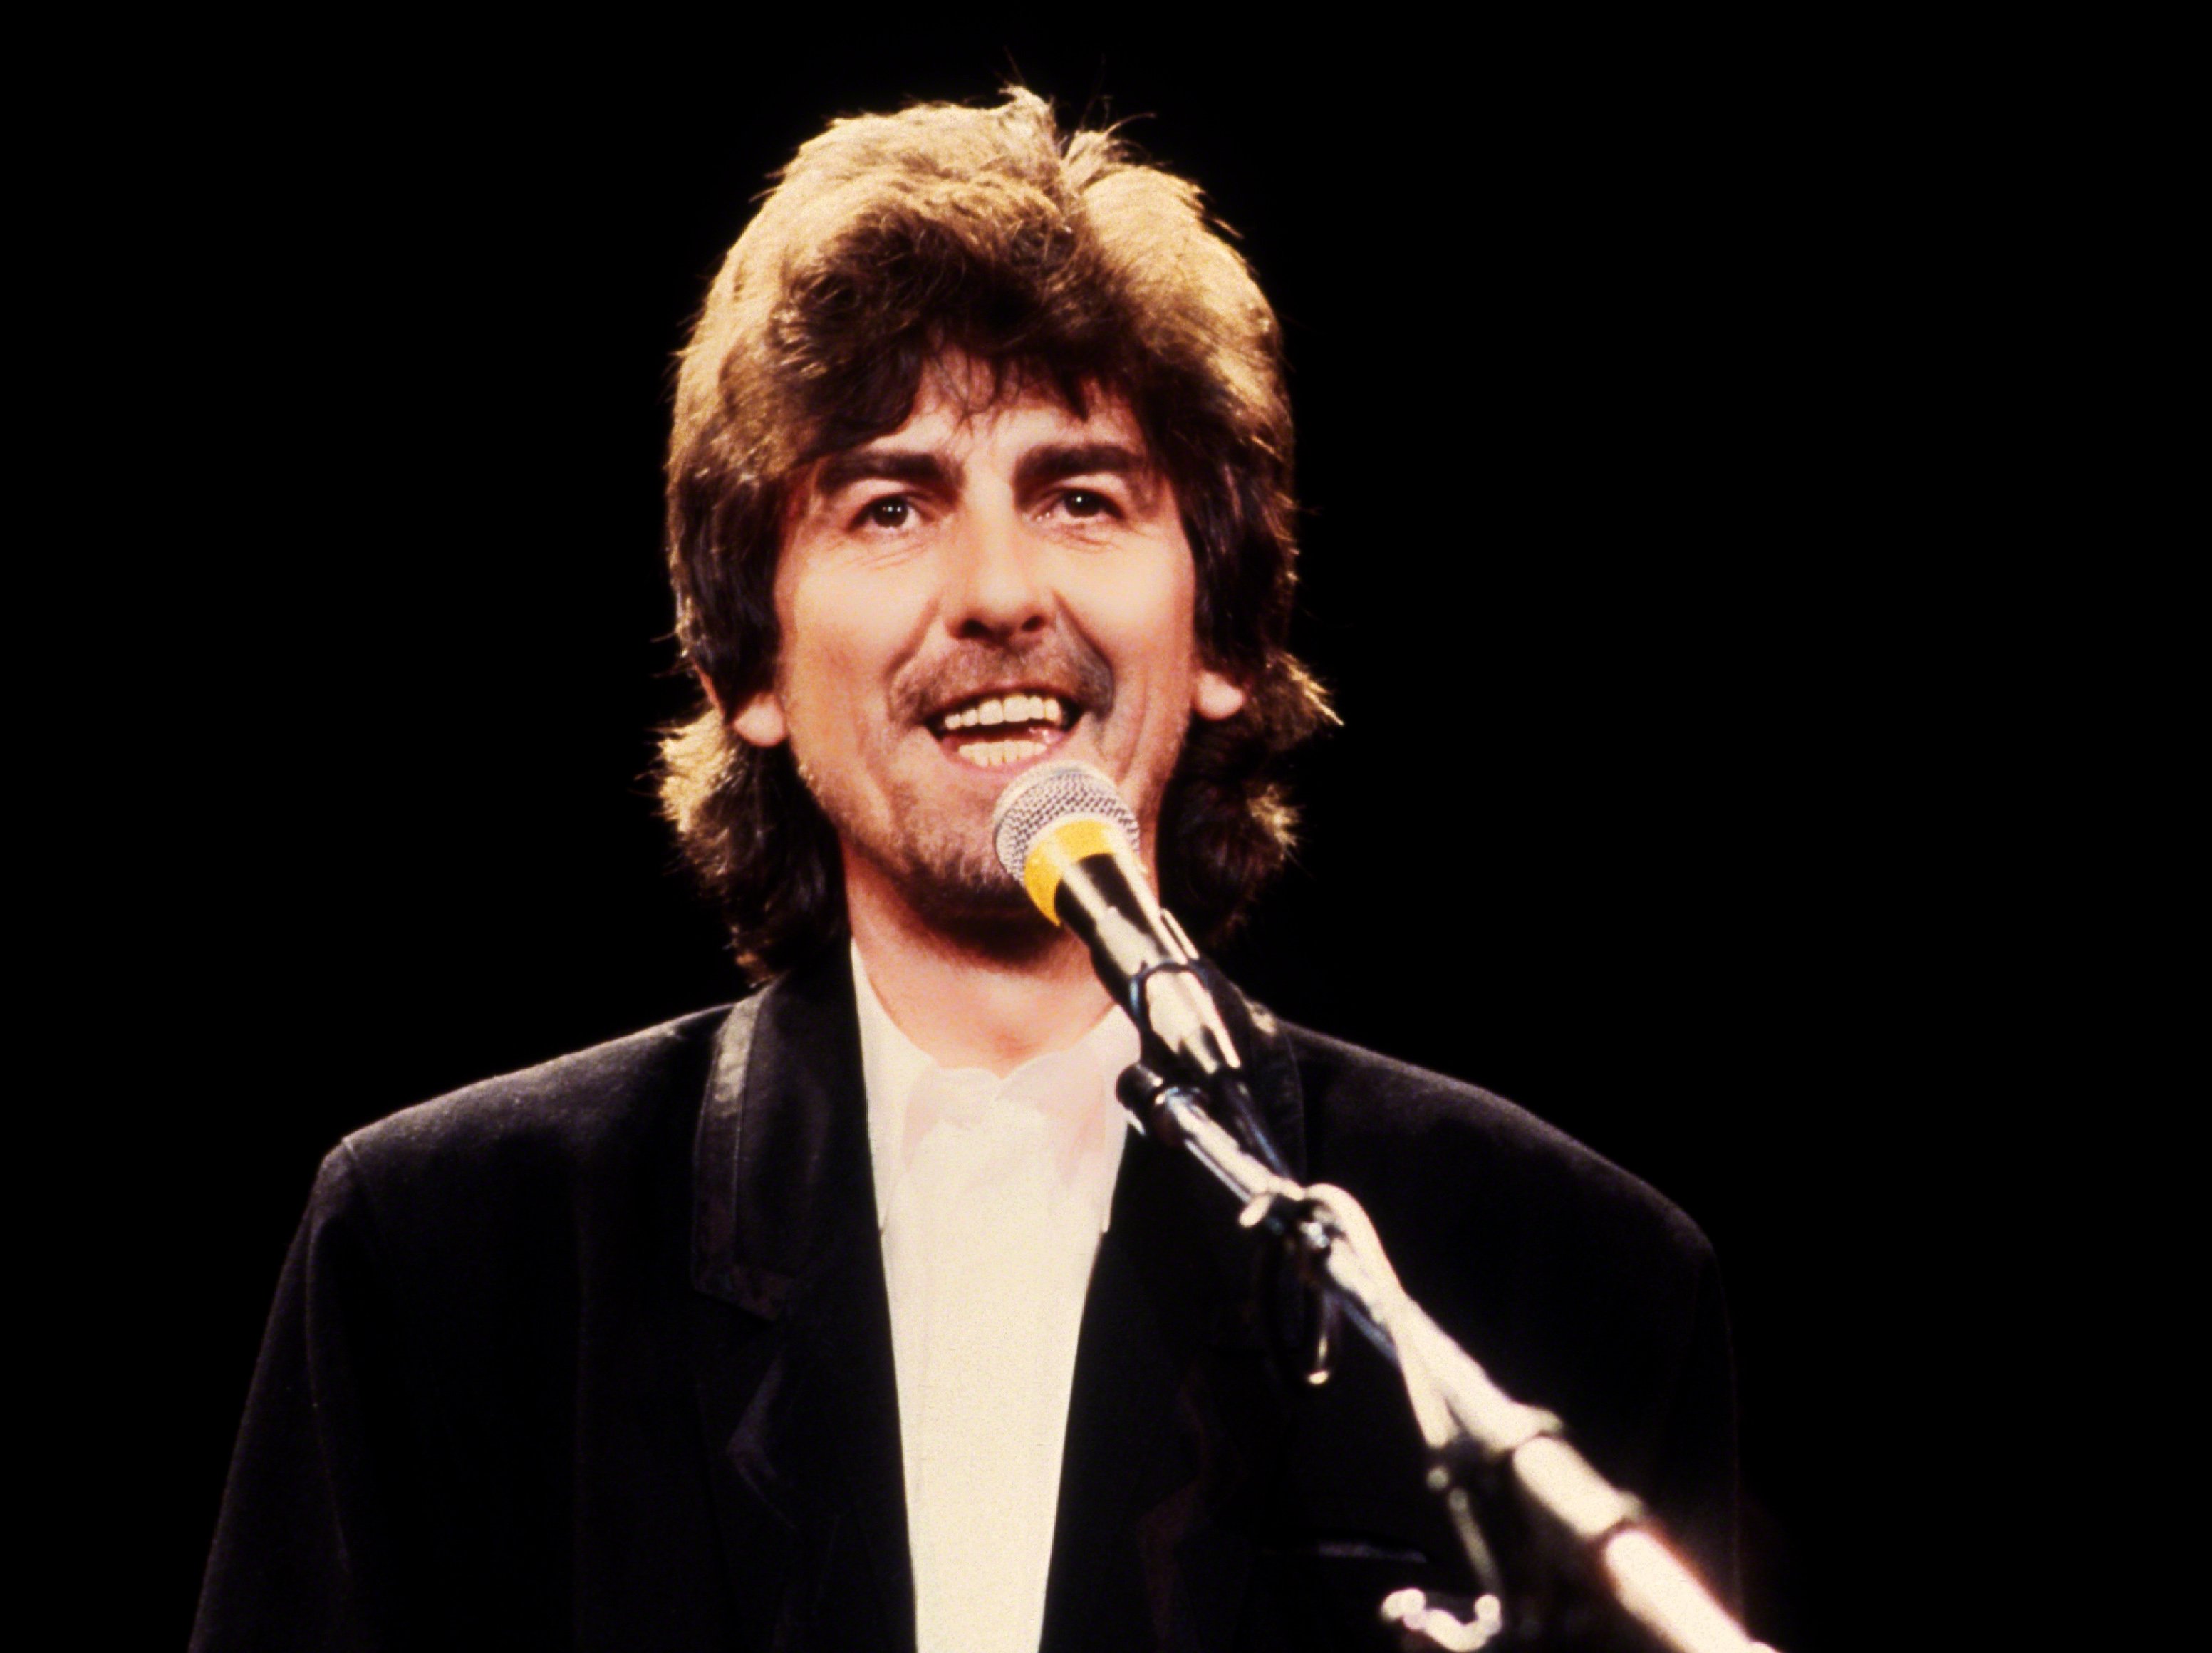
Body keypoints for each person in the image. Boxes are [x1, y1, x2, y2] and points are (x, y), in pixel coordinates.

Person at [194, 88, 1738, 1653]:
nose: (999, 589)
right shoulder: (447, 1256)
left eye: (1082, 496)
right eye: (891, 504)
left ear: (1220, 629)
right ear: (751, 663)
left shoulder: (1560, 1272)